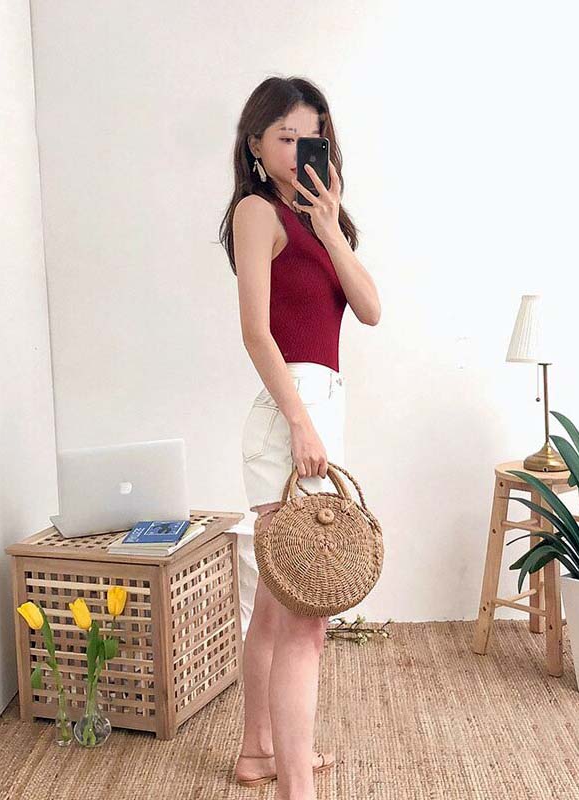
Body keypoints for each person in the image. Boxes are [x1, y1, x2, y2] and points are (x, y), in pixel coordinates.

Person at [219, 76, 381, 800]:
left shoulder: (318, 220)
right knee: (307, 617)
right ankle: (295, 788)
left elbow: (370, 309)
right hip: (293, 413)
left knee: (276, 603)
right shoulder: (256, 211)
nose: (296, 149)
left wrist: (331, 224)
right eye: (284, 136)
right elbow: (256, 332)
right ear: (255, 142)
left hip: (318, 411)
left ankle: (258, 753)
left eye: (310, 136)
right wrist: (299, 419)